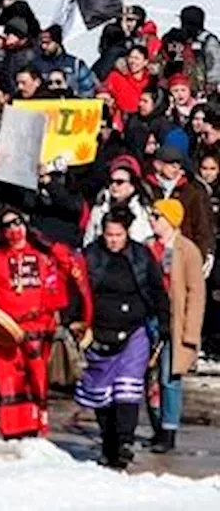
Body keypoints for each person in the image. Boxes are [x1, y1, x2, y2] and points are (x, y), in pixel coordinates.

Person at [0, 210, 87, 440]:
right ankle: (13, 429)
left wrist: (50, 245)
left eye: (18, 222)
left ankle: (38, 424)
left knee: (37, 380)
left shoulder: (44, 255)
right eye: (7, 225)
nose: (14, 230)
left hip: (38, 327)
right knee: (8, 381)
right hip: (6, 330)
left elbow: (70, 269)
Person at [78, 208, 169, 469]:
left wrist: (163, 321)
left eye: (118, 235)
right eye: (109, 235)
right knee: (101, 394)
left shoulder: (141, 255)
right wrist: (76, 322)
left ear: (127, 232)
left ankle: (125, 442)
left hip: (134, 331)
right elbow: (77, 290)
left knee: (127, 389)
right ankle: (109, 445)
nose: (113, 240)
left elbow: (156, 289)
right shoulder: (91, 255)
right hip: (99, 332)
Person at [145, 198, 206, 454]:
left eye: (156, 216)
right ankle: (156, 426)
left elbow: (196, 293)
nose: (152, 220)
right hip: (148, 319)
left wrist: (190, 331)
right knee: (150, 377)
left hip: (175, 321)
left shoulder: (187, 250)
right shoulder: (147, 247)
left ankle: (169, 430)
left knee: (171, 378)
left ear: (170, 220)